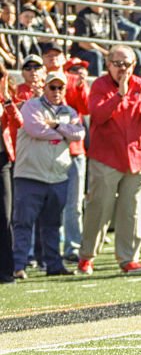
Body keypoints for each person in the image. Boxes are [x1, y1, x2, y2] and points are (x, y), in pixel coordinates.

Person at [78, 46, 141, 275]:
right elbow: (99, 115)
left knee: (132, 210)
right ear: (108, 64)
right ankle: (87, 256)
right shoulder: (100, 85)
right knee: (99, 207)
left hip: (138, 156)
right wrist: (120, 95)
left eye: (127, 64)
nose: (122, 69)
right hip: (107, 157)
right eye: (118, 63)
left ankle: (128, 258)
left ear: (134, 65)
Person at [12, 71, 82, 278]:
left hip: (57, 176)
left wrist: (57, 126)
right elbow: (35, 129)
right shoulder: (32, 105)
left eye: (60, 88)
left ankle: (54, 265)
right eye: (52, 87)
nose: (56, 91)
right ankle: (18, 265)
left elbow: (79, 134)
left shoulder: (69, 111)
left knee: (52, 224)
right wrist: (63, 133)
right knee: (23, 223)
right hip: (30, 175)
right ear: (45, 88)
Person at [39, 45, 89, 261]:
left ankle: (73, 246)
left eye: (57, 54)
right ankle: (44, 251)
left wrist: (81, 85)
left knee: (74, 203)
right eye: (49, 55)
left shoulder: (73, 79)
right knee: (46, 203)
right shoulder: (38, 79)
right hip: (46, 150)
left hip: (73, 150)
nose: (53, 58)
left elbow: (86, 108)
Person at [0, 66, 21, 283]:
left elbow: (18, 123)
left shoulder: (4, 99)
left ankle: (6, 270)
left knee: (5, 216)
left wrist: (6, 100)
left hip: (2, 162)